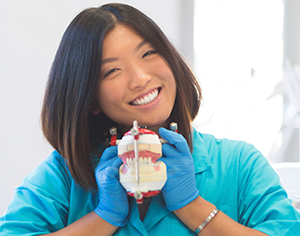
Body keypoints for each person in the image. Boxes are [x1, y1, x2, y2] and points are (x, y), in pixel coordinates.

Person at [0, 3, 299, 235]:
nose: (141, 78)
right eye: (112, 71)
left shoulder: (238, 165)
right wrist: (103, 217)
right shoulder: (64, 176)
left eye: (149, 53)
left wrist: (192, 206)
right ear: (90, 99)